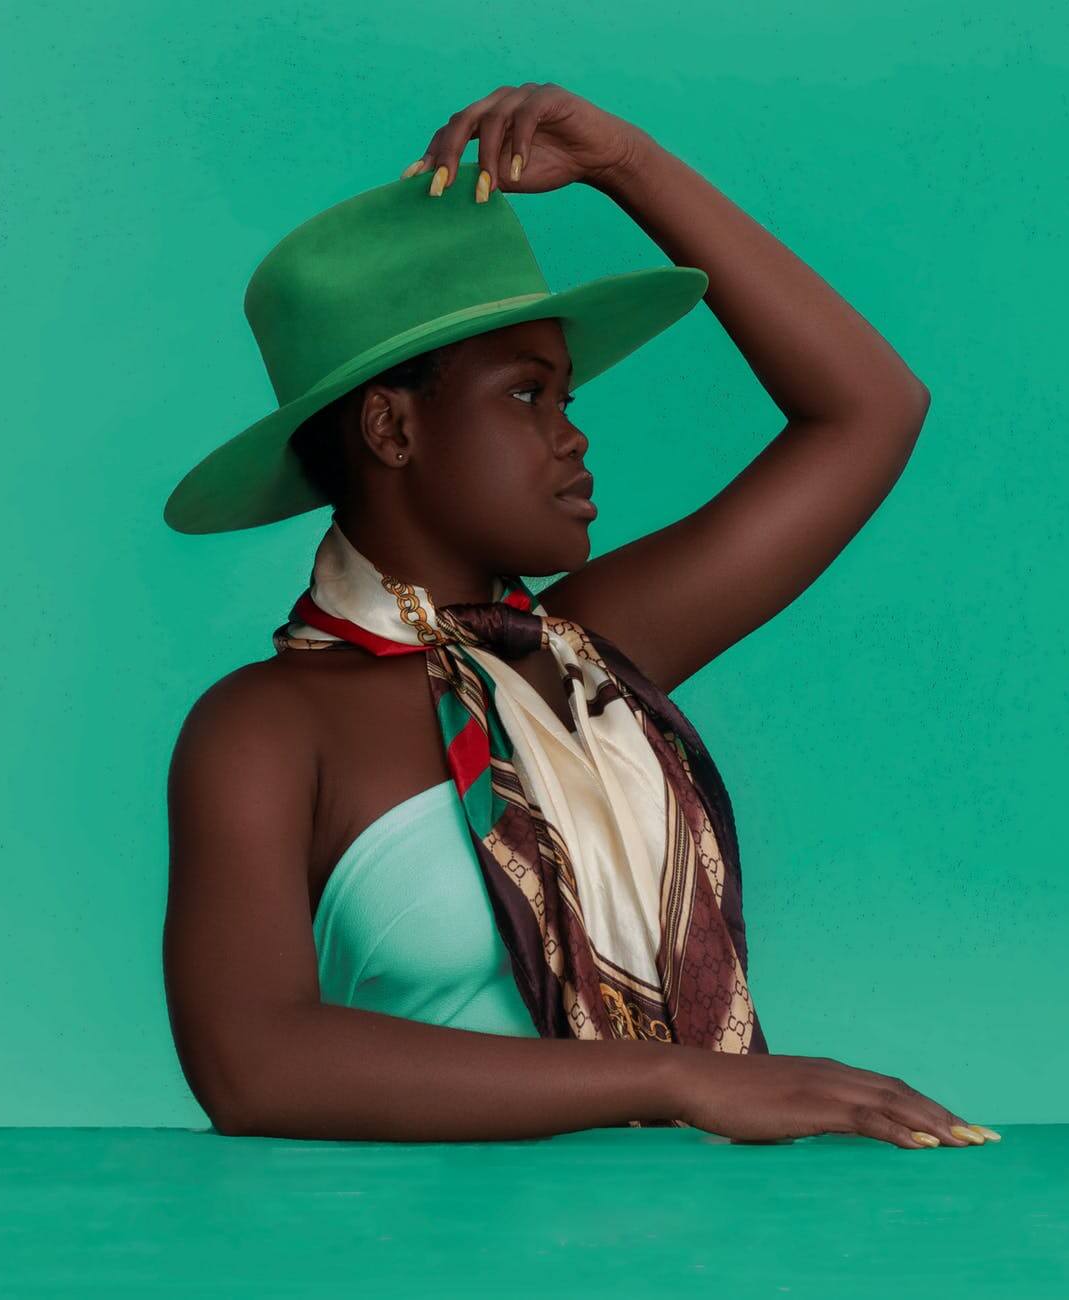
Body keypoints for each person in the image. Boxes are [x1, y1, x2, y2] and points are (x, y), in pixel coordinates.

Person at [161, 83, 999, 1150]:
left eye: (568, 398)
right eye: (526, 395)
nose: (572, 438)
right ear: (389, 426)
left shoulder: (579, 657)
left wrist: (627, 165)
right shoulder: (264, 728)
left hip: (668, 1242)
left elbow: (870, 409)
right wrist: (678, 1080)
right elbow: (253, 1068)